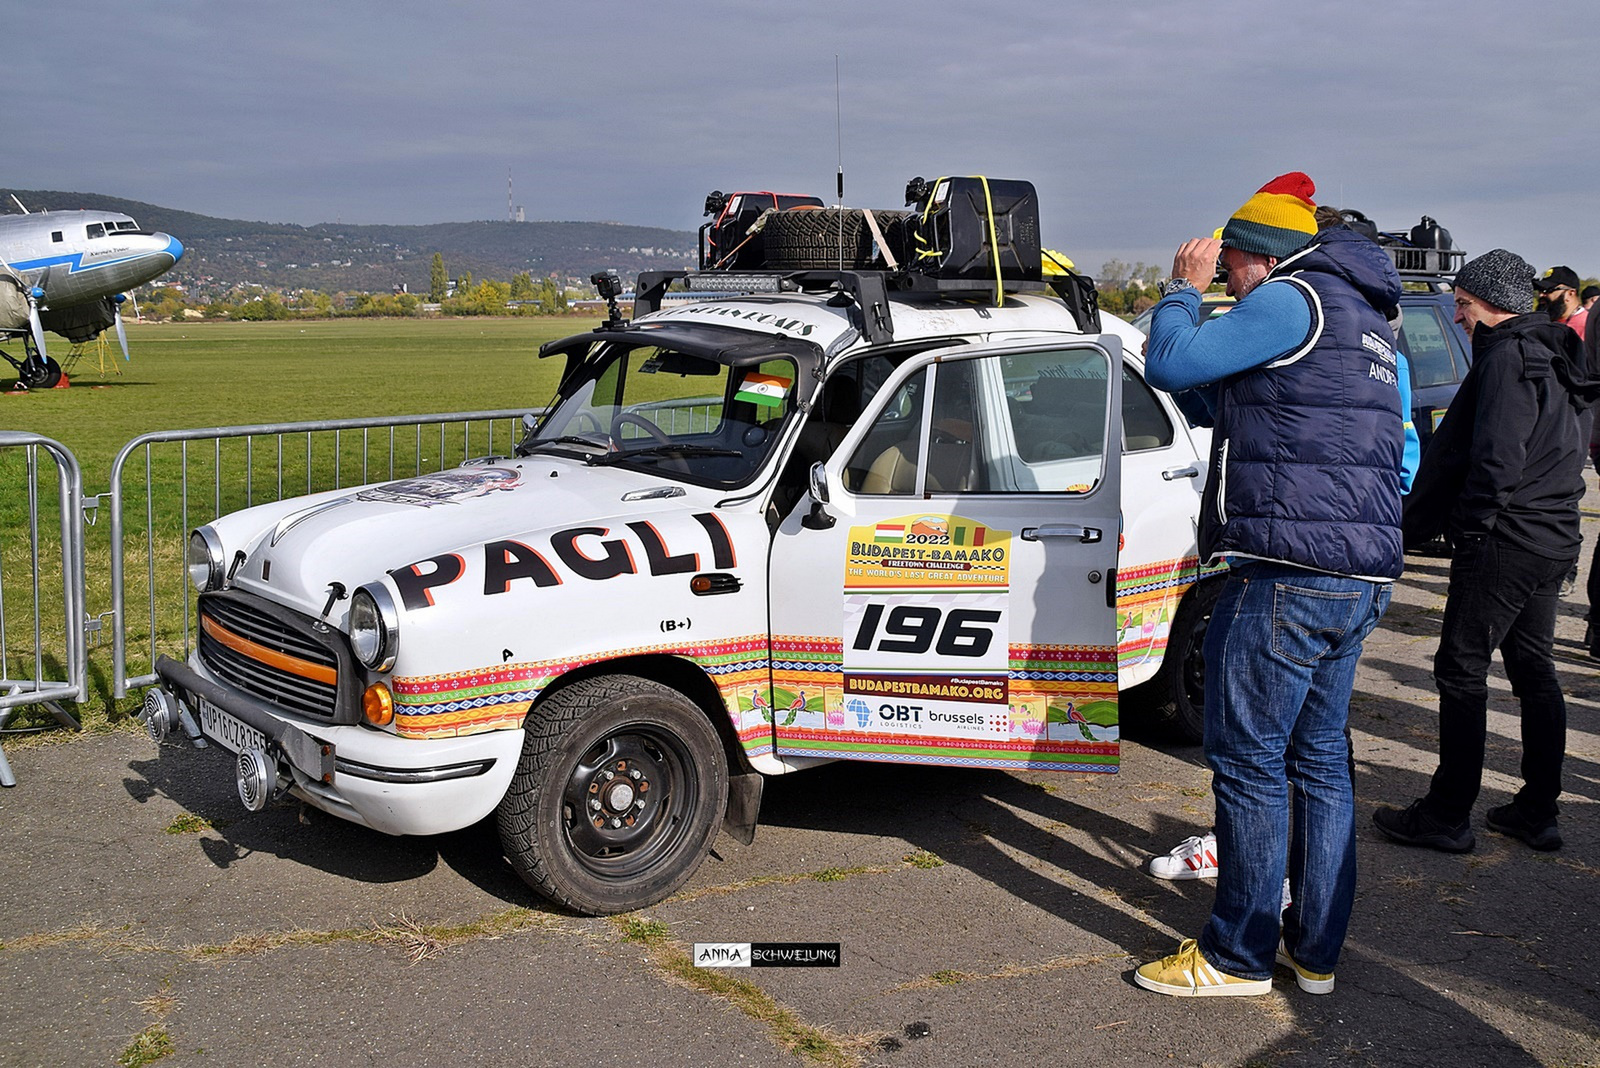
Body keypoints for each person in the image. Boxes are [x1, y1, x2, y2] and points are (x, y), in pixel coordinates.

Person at [1134, 173, 1405, 998]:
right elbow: (1267, 404)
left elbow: (1171, 363)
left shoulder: (1292, 297)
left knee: (1249, 763)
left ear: (1261, 257)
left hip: (1289, 572)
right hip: (1356, 574)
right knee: (1319, 761)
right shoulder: (1365, 313)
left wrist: (1182, 291)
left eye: (1233, 269)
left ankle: (1236, 955)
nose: (1229, 284)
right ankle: (1313, 953)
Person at [1376, 249, 1595, 854]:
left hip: (1508, 541)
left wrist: (1472, 532)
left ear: (1492, 306)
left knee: (1461, 669)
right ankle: (1537, 809)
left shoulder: (1507, 360)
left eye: (1464, 304)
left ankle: (1447, 815)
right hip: (1554, 536)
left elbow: (1495, 460)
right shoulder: (1555, 353)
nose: (1458, 315)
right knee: (1533, 670)